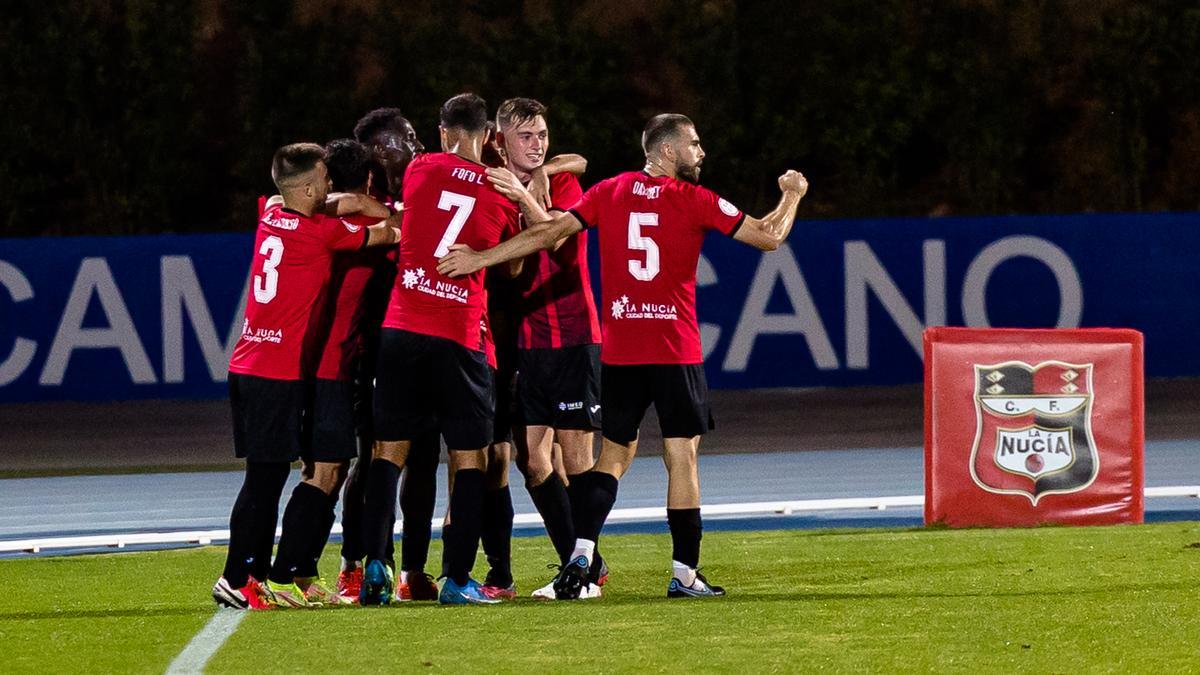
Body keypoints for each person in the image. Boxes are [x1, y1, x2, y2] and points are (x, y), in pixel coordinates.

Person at [438, 113, 808, 599]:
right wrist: (792, 193)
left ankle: (580, 561)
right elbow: (769, 236)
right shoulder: (695, 199)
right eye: (694, 145)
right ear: (668, 152)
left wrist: (479, 259)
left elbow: (547, 233)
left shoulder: (609, 192)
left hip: (620, 352)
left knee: (612, 458)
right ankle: (684, 575)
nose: (701, 153)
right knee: (683, 457)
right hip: (674, 349)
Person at [212, 142, 401, 610]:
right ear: (315, 186)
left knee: (267, 476)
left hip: (249, 364)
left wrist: (352, 201)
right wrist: (365, 204)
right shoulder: (323, 233)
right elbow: (394, 233)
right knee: (266, 480)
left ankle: (253, 576)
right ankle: (240, 577)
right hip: (277, 372)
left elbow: (285, 199)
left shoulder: (270, 214)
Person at [359, 93, 522, 606]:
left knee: (389, 450)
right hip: (460, 335)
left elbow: (405, 215)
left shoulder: (421, 168)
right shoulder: (500, 192)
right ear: (489, 136)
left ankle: (377, 565)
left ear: (445, 132)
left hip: (402, 328)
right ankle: (456, 578)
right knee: (468, 457)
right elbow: (515, 268)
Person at [480, 97, 607, 601]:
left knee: (577, 459)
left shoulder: (565, 186)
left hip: (573, 333)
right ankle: (580, 566)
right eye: (526, 137)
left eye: (543, 136)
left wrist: (528, 190)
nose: (537, 145)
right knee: (534, 462)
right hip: (530, 339)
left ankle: (582, 568)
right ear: (500, 140)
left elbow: (558, 241)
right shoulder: (495, 179)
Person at [334, 108, 442, 603]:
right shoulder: (356, 202)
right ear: (380, 151)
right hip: (372, 348)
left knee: (424, 456)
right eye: (406, 139)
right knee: (373, 456)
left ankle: (414, 569)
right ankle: (357, 561)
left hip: (425, 341)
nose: (416, 145)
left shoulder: (426, 187)